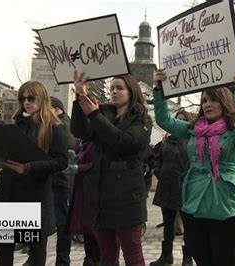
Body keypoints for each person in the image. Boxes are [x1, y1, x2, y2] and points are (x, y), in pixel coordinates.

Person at [153, 69, 235, 265]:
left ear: (224, 102)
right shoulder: (193, 130)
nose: (207, 104)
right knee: (202, 260)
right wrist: (159, 90)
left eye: (213, 100)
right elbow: (164, 119)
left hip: (228, 206)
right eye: (204, 100)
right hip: (194, 205)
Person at [71, 71, 152, 265]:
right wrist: (80, 96)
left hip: (127, 199)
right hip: (100, 198)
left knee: (132, 256)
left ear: (131, 92)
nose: (114, 92)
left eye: (120, 88)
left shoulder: (142, 120)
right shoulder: (104, 114)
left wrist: (95, 115)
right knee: (107, 256)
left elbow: (124, 143)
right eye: (112, 88)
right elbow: (79, 131)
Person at [0, 81, 68, 266]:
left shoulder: (54, 128)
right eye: (23, 98)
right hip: (9, 194)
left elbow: (61, 161)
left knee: (36, 253)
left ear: (42, 99)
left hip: (34, 196)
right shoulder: (15, 126)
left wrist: (29, 168)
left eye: (31, 98)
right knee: (3, 251)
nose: (27, 102)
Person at [150, 110, 193, 266]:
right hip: (166, 188)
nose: (179, 122)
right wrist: (158, 170)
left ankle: (188, 258)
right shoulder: (166, 141)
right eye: (177, 120)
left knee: (188, 226)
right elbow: (158, 159)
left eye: (183, 120)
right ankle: (166, 256)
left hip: (184, 190)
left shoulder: (191, 141)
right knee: (168, 225)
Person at [50, 96, 77, 266]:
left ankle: (62, 260)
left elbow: (68, 148)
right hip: (51, 179)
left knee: (62, 222)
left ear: (57, 109)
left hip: (61, 180)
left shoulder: (64, 126)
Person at [68, 140, 101, 265]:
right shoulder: (81, 142)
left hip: (93, 192)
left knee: (95, 231)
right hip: (81, 190)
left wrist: (79, 168)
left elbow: (97, 164)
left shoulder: (97, 141)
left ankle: (96, 260)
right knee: (86, 229)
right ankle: (89, 259)